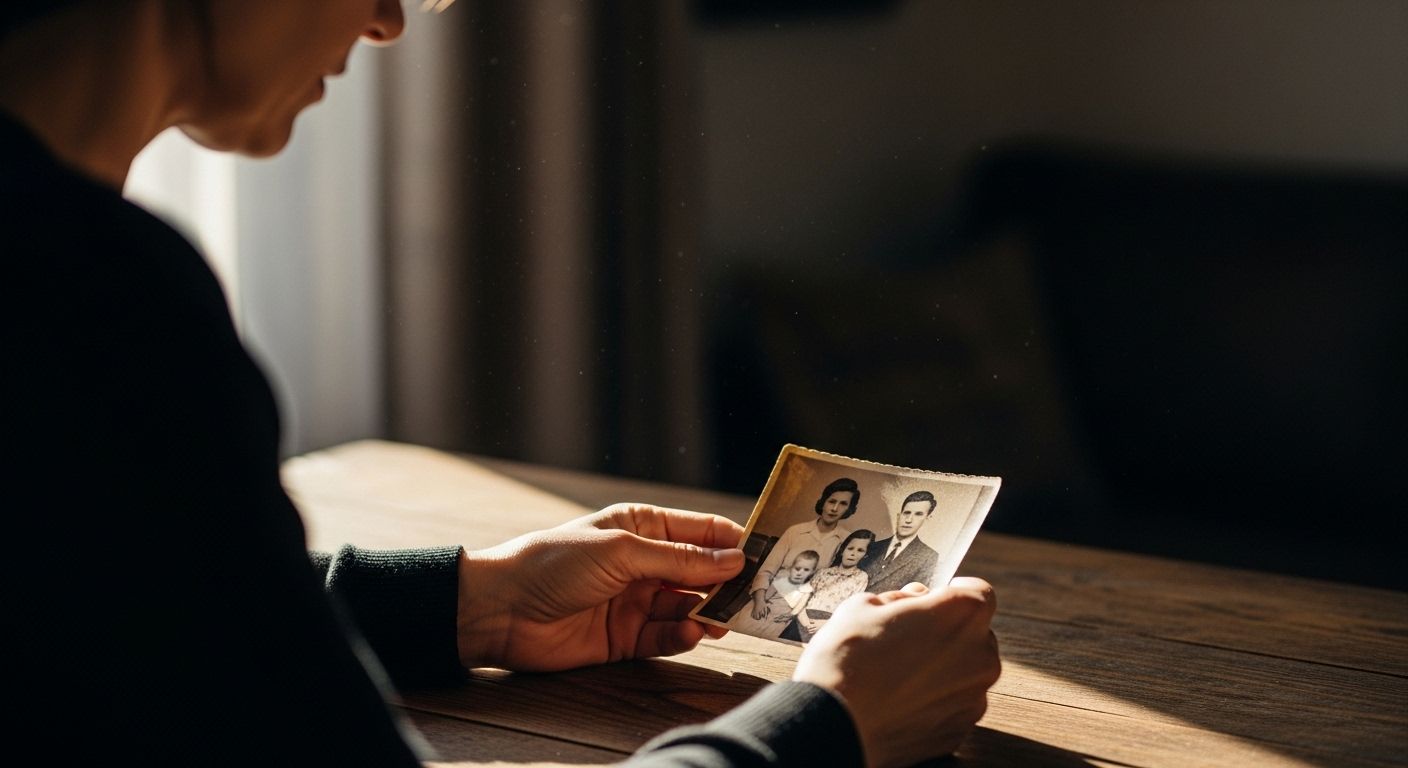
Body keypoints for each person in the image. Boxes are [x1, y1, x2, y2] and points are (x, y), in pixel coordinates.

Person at [0, 2, 1001, 766]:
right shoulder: (94, 300)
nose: (389, 21)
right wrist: (826, 724)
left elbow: (126, 619)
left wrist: (476, 604)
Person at [746, 477, 859, 623]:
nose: (835, 508)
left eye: (843, 504)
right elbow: (766, 571)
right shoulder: (795, 531)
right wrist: (760, 602)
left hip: (802, 611)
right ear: (824, 501)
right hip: (766, 599)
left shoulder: (847, 541)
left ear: (849, 509)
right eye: (832, 501)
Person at [781, 529, 876, 643]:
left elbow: (851, 608)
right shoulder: (823, 572)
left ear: (865, 556)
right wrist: (804, 620)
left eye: (860, 550)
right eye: (850, 548)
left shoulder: (860, 577)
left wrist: (826, 624)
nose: (853, 553)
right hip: (803, 619)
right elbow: (803, 599)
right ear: (842, 550)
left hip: (828, 625)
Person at [861, 490, 942, 594]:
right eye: (906, 513)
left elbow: (913, 597)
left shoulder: (928, 556)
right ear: (899, 516)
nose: (908, 520)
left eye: (918, 514)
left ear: (927, 519)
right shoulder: (873, 546)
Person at [726, 549, 819, 638]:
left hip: (779, 620)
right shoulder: (783, 581)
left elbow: (800, 606)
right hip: (767, 610)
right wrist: (760, 604)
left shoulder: (807, 589)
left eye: (806, 570)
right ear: (792, 568)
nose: (800, 573)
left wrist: (791, 615)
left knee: (766, 636)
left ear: (812, 572)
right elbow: (766, 596)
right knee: (747, 625)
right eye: (797, 569)